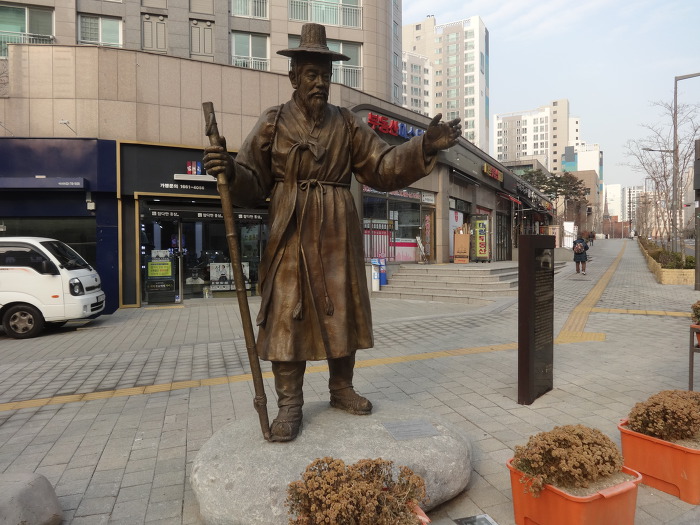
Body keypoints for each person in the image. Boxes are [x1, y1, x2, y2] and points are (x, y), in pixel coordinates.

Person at [203, 23, 461, 442]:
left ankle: (341, 387)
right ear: (293, 76)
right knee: (286, 311)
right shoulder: (273, 121)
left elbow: (382, 167)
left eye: (325, 75)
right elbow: (252, 180)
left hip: (338, 228)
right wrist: (230, 170)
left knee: (342, 307)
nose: (319, 83)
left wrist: (424, 146)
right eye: (311, 74)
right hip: (290, 227)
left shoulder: (347, 123)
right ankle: (290, 403)